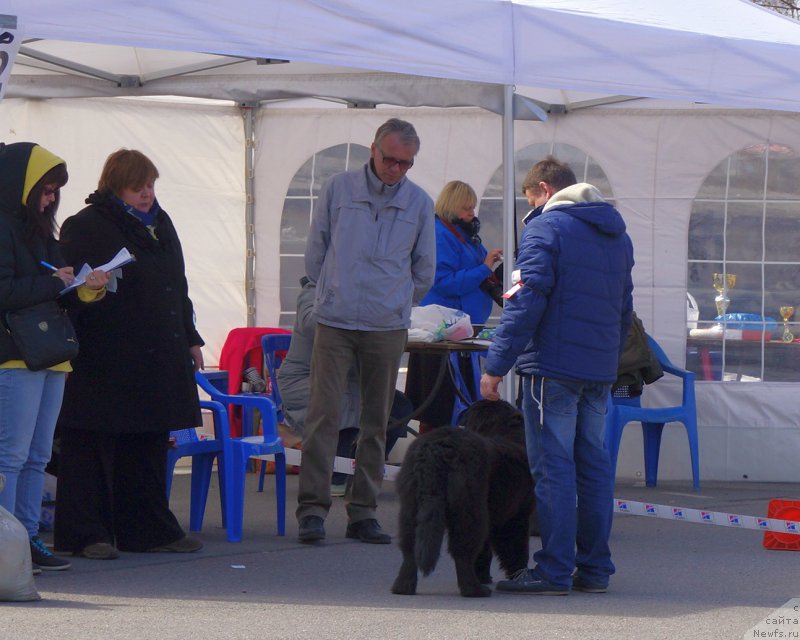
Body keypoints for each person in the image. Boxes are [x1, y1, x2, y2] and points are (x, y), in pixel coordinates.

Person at [480, 156, 634, 595]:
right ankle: (595, 569)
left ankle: (553, 569)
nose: (531, 208)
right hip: (599, 370)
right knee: (593, 467)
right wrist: (606, 358)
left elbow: (525, 302)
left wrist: (496, 365)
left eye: (531, 199)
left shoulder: (545, 229)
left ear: (545, 190)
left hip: (552, 368)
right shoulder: (617, 234)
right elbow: (625, 309)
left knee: (553, 469)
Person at [53, 149, 205, 560]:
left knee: (149, 441)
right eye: (138, 186)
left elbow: (178, 284)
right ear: (116, 184)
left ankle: (148, 528)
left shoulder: (160, 223)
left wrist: (191, 337)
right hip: (105, 353)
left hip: (156, 352)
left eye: (151, 185)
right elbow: (67, 290)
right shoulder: (87, 225)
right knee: (90, 444)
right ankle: (87, 532)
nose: (147, 194)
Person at [298, 118, 435, 544]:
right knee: (323, 417)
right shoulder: (338, 188)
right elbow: (315, 250)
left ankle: (363, 511)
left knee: (377, 420)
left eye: (405, 164)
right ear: (373, 149)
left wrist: (396, 300)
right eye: (390, 159)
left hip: (385, 325)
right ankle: (312, 511)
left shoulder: (419, 202)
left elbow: (424, 269)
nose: (396, 169)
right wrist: (330, 294)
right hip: (336, 320)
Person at [0, 142, 110, 573]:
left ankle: (25, 538)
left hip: (50, 356)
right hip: (14, 356)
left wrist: (88, 288)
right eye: (45, 190)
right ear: (20, 186)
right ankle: (8, 542)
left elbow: (58, 288)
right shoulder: (4, 227)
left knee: (36, 456)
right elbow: (5, 292)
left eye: (54, 192)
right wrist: (57, 283)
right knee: (11, 456)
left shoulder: (42, 231)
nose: (50, 199)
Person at [277, 277, 411, 496]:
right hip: (307, 377)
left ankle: (365, 469)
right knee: (347, 404)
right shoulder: (313, 291)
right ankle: (336, 476)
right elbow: (312, 325)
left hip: (347, 380)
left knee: (398, 406)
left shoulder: (370, 294)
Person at [405, 180, 502, 432]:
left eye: (473, 208)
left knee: (452, 406)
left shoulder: (465, 236)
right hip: (441, 336)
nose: (472, 214)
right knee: (438, 408)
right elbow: (444, 282)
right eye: (467, 209)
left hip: (458, 335)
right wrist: (484, 268)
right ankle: (432, 456)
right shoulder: (441, 235)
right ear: (451, 207)